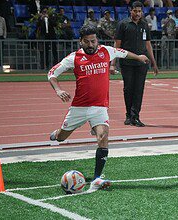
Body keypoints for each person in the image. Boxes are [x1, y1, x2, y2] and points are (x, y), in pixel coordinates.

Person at [48, 25, 150, 190]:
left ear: (97, 40)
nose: (90, 44)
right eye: (87, 41)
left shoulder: (106, 51)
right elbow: (51, 73)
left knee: (103, 138)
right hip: (79, 108)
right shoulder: (73, 58)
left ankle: (97, 178)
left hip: (99, 107)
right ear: (81, 42)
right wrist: (58, 89)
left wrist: (138, 57)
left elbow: (122, 52)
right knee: (61, 137)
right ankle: (57, 134)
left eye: (93, 41)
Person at [114, 1, 159, 127]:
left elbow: (148, 45)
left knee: (139, 89)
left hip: (142, 63)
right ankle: (129, 115)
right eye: (135, 11)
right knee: (128, 89)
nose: (138, 13)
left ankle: (135, 116)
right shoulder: (123, 24)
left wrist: (154, 63)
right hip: (126, 62)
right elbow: (117, 45)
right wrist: (113, 63)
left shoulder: (145, 25)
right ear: (131, 10)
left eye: (140, 11)